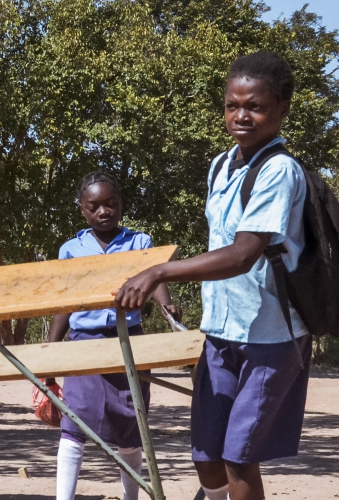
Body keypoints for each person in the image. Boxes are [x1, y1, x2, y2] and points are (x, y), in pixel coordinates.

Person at [114, 51, 311, 500]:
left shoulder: (279, 170)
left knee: (240, 456)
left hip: (271, 335)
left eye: (255, 106)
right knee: (206, 452)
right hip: (220, 330)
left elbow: (243, 254)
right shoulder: (222, 166)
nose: (242, 115)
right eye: (232, 105)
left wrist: (160, 271)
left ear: (281, 110)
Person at [48, 172, 181, 500]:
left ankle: (131, 496)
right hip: (84, 345)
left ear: (121, 205)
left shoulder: (139, 242)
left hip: (128, 342)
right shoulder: (71, 249)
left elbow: (156, 277)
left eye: (111, 204)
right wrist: (51, 349)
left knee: (130, 424)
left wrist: (167, 307)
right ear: (83, 210)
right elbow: (65, 303)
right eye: (94, 206)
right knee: (74, 423)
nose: (103, 211)